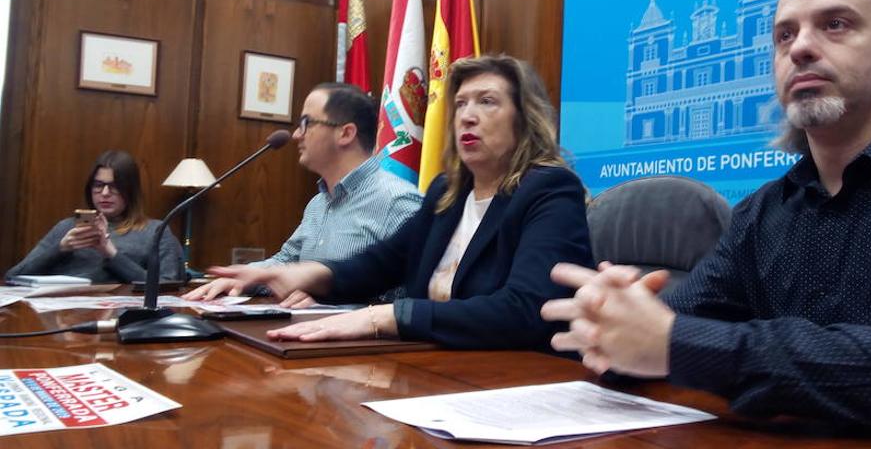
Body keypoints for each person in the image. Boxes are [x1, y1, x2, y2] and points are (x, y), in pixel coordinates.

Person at [542, 0, 871, 445]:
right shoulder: (764, 210)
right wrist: (615, 320)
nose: (800, 48)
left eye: (836, 24)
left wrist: (675, 343)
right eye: (784, 35)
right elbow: (668, 331)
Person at [208, 55, 593, 350]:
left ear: (525, 119)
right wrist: (304, 273)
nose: (468, 117)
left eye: (487, 102)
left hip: (518, 377)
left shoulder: (550, 190)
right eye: (460, 104)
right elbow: (384, 261)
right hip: (438, 362)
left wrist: (387, 317)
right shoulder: (448, 193)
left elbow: (525, 309)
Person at [183, 83, 422, 307]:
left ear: (346, 133)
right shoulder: (319, 203)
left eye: (306, 123)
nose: (297, 134)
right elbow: (288, 260)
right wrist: (247, 278)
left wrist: (330, 299)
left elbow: (413, 293)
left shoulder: (398, 202)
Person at [6, 150, 183, 283]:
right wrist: (60, 249)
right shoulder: (67, 227)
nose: (105, 193)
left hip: (121, 318)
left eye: (115, 186)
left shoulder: (155, 231)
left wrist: (110, 253)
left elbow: (168, 286)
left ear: (130, 190)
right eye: (98, 185)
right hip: (64, 315)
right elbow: (13, 277)